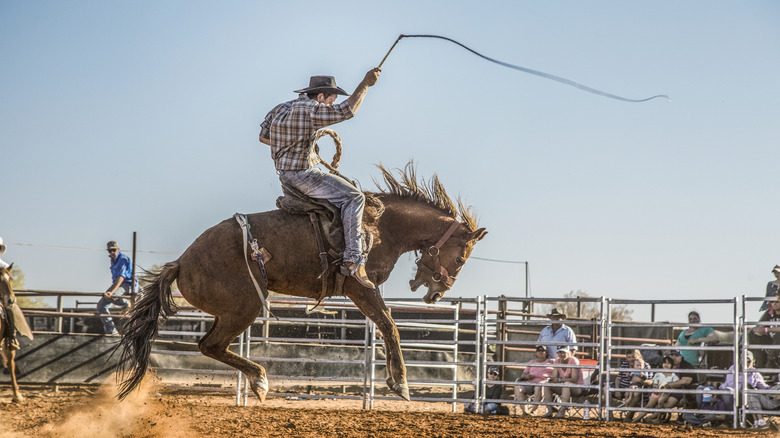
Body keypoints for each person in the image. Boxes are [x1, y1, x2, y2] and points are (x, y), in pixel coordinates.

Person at [258, 69, 381, 289]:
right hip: (304, 175)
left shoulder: (281, 108)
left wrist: (291, 146)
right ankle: (353, 260)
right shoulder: (310, 109)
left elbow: (263, 137)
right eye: (330, 100)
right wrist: (365, 83)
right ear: (320, 96)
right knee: (355, 197)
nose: (329, 105)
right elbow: (347, 110)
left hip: (285, 175)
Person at [648, 349, 696, 424]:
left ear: (681, 356)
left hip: (681, 391)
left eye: (677, 355)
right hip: (662, 390)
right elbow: (655, 378)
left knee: (668, 402)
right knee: (654, 399)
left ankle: (653, 417)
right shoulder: (664, 364)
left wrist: (669, 385)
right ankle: (652, 417)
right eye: (672, 355)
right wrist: (656, 386)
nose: (674, 357)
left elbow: (686, 381)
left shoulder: (686, 366)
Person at [98, 241, 133, 335]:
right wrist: (111, 291)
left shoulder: (123, 259)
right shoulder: (112, 260)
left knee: (112, 296)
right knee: (101, 305)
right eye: (110, 251)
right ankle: (111, 331)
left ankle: (126, 304)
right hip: (117, 284)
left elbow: (121, 277)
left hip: (127, 284)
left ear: (118, 249)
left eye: (114, 250)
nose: (112, 252)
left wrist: (111, 291)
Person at [633, 355, 679, 423]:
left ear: (672, 365)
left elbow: (675, 385)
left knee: (661, 400)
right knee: (648, 406)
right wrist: (656, 388)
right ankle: (636, 420)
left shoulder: (673, 376)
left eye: (669, 363)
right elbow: (654, 383)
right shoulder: (658, 374)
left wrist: (665, 389)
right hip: (657, 392)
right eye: (664, 363)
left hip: (665, 393)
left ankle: (658, 418)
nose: (666, 365)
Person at [542, 345, 583, 418]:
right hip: (564, 385)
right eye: (559, 352)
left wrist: (560, 380)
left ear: (568, 353)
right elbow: (554, 375)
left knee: (566, 385)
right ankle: (549, 411)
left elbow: (574, 379)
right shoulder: (557, 361)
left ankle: (562, 411)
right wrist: (552, 379)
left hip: (577, 387)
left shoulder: (573, 360)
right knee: (546, 385)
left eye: (563, 352)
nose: (561, 354)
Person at [514, 345, 554, 415]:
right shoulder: (532, 362)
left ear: (546, 353)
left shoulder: (550, 362)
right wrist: (527, 376)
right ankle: (525, 411)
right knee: (517, 387)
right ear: (536, 352)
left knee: (538, 387)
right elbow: (523, 375)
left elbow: (555, 374)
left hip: (542, 383)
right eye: (539, 350)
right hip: (529, 382)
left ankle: (533, 410)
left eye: (543, 350)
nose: (540, 352)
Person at [749, 296, 780, 369]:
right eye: (772, 302)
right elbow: (759, 325)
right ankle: (758, 362)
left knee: (778, 335)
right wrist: (759, 330)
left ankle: (770, 362)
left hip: (778, 340)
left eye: (777, 302)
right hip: (770, 340)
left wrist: (766, 330)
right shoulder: (769, 313)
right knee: (753, 334)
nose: (774, 304)